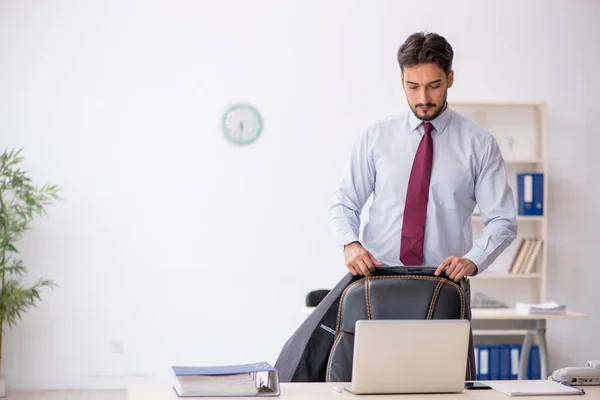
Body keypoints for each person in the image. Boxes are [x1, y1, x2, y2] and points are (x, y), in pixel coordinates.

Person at [329, 31, 518, 282]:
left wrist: (473, 259)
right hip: (377, 278)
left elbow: (502, 220)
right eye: (413, 86)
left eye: (434, 86)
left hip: (444, 282)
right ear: (401, 80)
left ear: (450, 79)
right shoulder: (375, 136)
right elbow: (345, 202)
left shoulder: (480, 144)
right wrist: (350, 243)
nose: (423, 99)